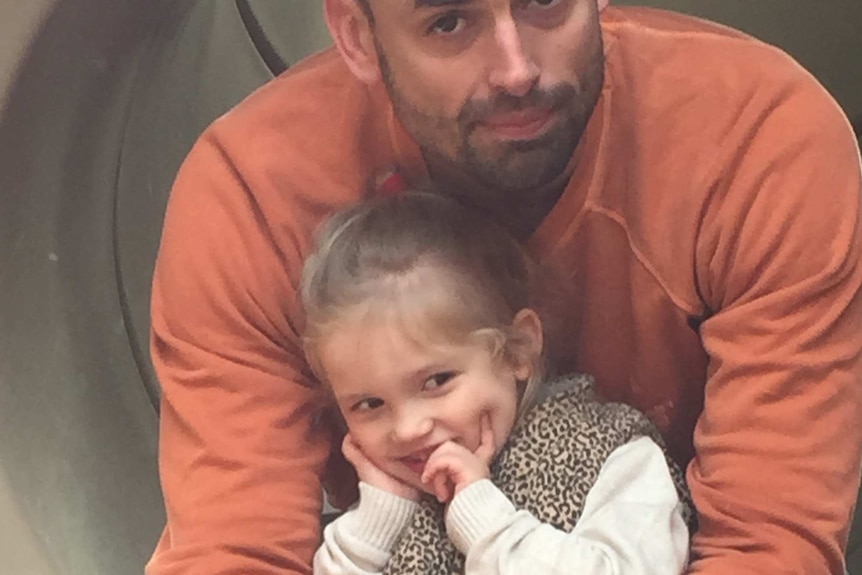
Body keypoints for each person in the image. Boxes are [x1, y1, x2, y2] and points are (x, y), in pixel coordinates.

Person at [145, 1, 862, 574]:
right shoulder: (252, 196)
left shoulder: (757, 142)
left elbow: (767, 543)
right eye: (449, 22)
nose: (516, 69)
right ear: (357, 36)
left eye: (546, 2)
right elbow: (235, 549)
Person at [301, 191, 691, 574]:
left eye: (437, 381)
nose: (407, 429)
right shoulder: (382, 513)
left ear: (517, 349)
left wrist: (485, 521)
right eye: (369, 404)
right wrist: (378, 519)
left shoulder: (614, 455)